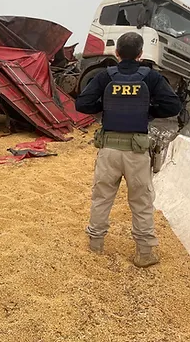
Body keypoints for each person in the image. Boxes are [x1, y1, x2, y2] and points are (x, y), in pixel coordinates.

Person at [75, 32, 182, 268]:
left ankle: (95, 245)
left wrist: (106, 107)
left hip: (108, 150)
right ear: (141, 53)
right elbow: (173, 105)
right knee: (141, 202)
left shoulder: (105, 76)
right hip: (138, 151)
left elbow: (81, 103)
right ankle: (144, 253)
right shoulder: (151, 77)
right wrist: (148, 111)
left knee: (102, 198)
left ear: (117, 53)